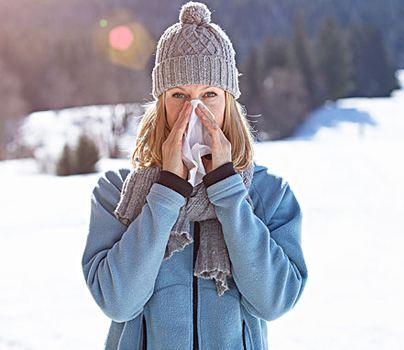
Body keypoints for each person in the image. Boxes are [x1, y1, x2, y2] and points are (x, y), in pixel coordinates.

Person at [80, 2, 308, 349]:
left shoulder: (269, 194)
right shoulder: (117, 195)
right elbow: (119, 301)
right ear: (160, 103)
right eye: (179, 96)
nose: (194, 110)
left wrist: (229, 194)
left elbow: (274, 301)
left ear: (229, 101)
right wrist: (167, 191)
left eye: (210, 95)